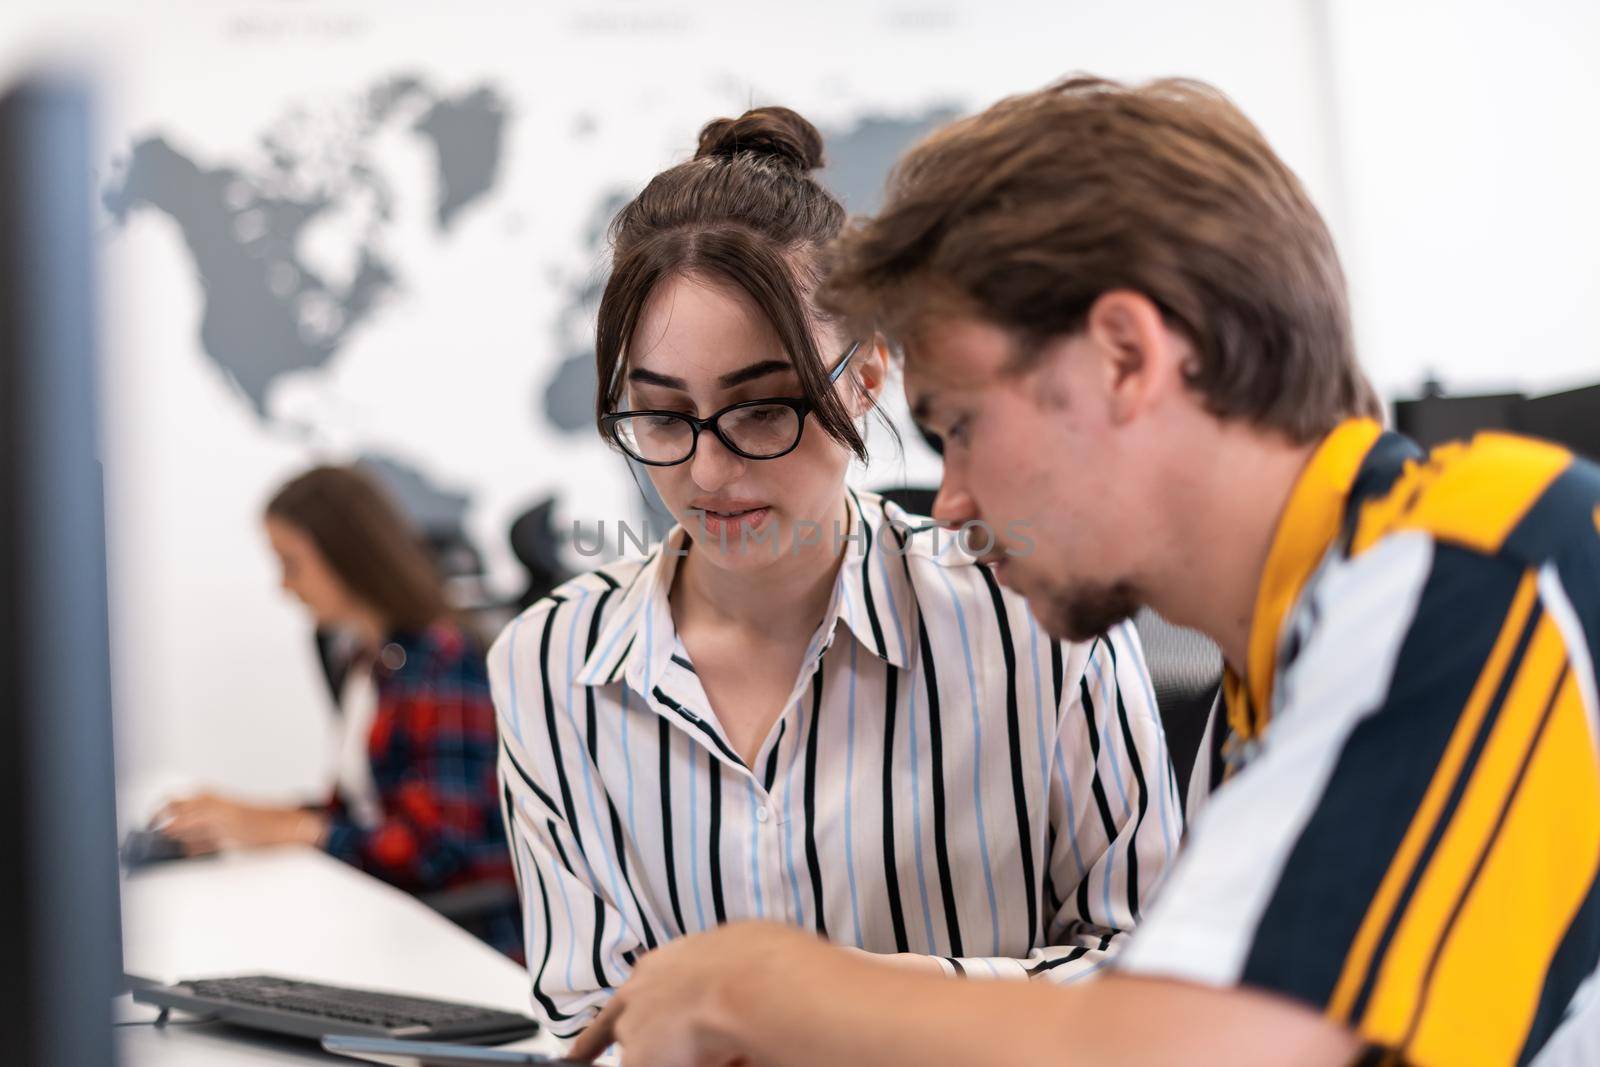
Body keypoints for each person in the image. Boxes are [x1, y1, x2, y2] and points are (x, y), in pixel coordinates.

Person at [566, 77, 1600, 1067]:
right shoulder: (1273, 686)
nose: (954, 498)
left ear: (1122, 356)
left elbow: (1185, 1050)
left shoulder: (1479, 560)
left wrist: (753, 983)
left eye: (960, 426)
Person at [489, 106, 1180, 1038]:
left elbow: (1159, 977)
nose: (705, 472)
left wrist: (826, 1004)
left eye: (764, 407)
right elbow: (586, 1020)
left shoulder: (1036, 617)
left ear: (867, 374)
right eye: (659, 417)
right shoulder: (549, 663)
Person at [158, 465, 522, 960]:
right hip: (394, 916)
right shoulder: (367, 659)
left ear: (346, 557)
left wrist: (292, 830)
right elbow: (363, 812)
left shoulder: (442, 662)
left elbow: (440, 848)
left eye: (291, 564)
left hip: (460, 942)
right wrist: (245, 815)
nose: (284, 587)